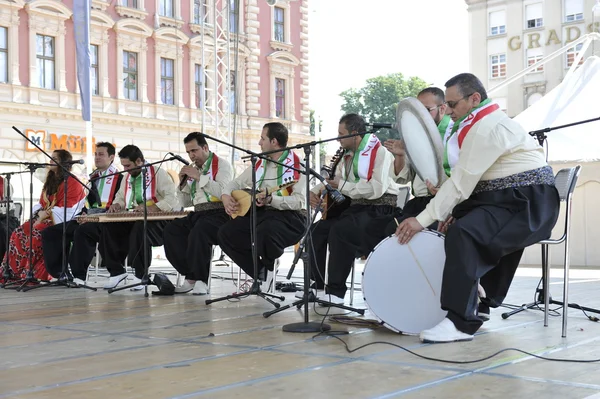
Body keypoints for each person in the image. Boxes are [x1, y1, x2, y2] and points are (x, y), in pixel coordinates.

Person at [395, 73, 560, 343]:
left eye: (452, 104)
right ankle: (479, 301)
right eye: (446, 105)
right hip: (512, 197)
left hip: (528, 203)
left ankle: (459, 322)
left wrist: (421, 220)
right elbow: (478, 181)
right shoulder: (480, 122)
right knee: (462, 225)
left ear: (474, 98)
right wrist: (453, 210)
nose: (448, 110)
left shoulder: (486, 126)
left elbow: (462, 181)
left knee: (465, 234)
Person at [308, 113, 399, 304]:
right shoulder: (347, 155)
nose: (338, 138)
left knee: (341, 231)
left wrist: (343, 186)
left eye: (341, 134)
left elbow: (376, 189)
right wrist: (314, 192)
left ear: (355, 133)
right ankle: (317, 285)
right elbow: (335, 179)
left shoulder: (380, 153)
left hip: (380, 209)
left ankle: (335, 292)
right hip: (356, 209)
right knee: (316, 231)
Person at [362, 87, 450, 255]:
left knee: (393, 229)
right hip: (418, 203)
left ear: (442, 108)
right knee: (372, 228)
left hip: (442, 203)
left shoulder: (451, 135)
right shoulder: (415, 135)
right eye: (417, 112)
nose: (421, 117)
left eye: (426, 110)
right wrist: (400, 155)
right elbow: (403, 178)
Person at [218, 122, 306, 285]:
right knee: (226, 233)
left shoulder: (297, 166)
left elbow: (300, 202)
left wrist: (272, 199)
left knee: (265, 231)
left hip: (292, 217)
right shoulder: (259, 162)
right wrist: (225, 196)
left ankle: (269, 266)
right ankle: (260, 272)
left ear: (274, 142)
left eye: (262, 138)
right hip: (264, 213)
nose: (259, 143)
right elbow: (235, 183)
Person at [41, 142, 122, 285]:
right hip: (88, 216)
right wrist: (84, 213)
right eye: (95, 154)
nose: (97, 157)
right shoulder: (92, 177)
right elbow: (86, 202)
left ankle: (80, 276)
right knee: (51, 232)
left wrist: (95, 215)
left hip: (107, 220)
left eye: (101, 154)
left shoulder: (120, 178)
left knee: (83, 231)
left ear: (111, 157)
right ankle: (61, 273)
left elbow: (121, 203)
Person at [100, 145, 180, 290]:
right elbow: (120, 198)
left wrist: (153, 208)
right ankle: (116, 271)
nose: (125, 169)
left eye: (128, 165)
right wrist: (117, 205)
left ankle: (140, 274)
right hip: (134, 217)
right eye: (123, 166)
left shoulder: (158, 173)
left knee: (139, 228)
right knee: (109, 226)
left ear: (138, 161)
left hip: (158, 220)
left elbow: (172, 199)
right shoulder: (127, 177)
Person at [162, 132, 233, 295]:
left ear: (205, 147)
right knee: (171, 230)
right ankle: (191, 275)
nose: (191, 156)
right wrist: (181, 185)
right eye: (188, 152)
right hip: (199, 212)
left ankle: (201, 279)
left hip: (220, 212)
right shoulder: (193, 170)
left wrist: (199, 177)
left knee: (199, 231)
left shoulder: (222, 165)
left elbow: (224, 191)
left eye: (194, 151)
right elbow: (185, 203)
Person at [3, 150, 86, 281]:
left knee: (36, 235)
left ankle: (33, 274)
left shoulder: (73, 182)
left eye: (54, 158)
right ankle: (14, 273)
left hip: (60, 220)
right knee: (17, 233)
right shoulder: (50, 181)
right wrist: (38, 216)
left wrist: (42, 218)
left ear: (64, 162)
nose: (51, 161)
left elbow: (69, 208)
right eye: (51, 158)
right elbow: (41, 203)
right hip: (44, 217)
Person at [0, 176, 20, 271]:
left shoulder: (4, 182)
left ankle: (5, 266)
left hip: (4, 217)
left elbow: (8, 207)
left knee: (3, 230)